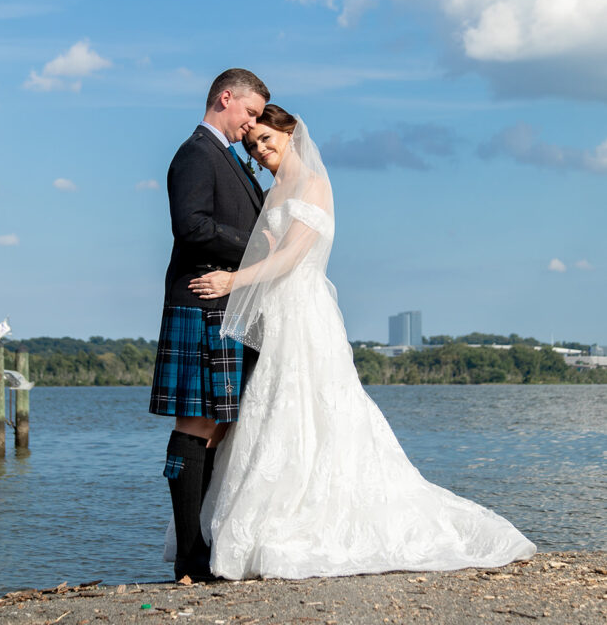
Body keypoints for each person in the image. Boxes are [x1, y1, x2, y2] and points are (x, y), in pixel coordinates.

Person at [189, 105, 537, 580]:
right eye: (252, 145)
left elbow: (291, 257)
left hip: (305, 311)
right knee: (272, 409)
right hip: (277, 315)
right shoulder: (272, 192)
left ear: (290, 133)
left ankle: (312, 516)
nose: (261, 149)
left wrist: (234, 282)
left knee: (317, 407)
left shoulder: (313, 184)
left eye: (267, 138)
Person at [149, 68, 269, 581]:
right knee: (195, 424)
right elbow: (191, 226)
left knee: (218, 426)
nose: (252, 125)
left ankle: (202, 545)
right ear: (226, 98)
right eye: (251, 113)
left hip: (228, 307)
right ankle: (189, 556)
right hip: (202, 302)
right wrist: (260, 247)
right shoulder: (196, 152)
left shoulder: (229, 158)